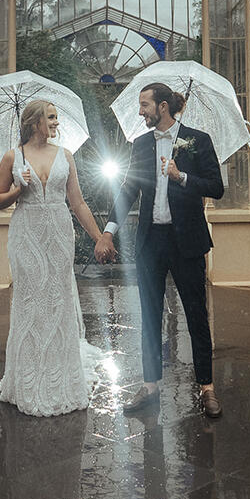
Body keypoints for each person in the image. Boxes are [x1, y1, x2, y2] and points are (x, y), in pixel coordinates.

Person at [96, 82, 225, 418]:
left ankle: (207, 388)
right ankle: (150, 386)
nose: (141, 112)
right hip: (151, 242)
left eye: (145, 105)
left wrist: (181, 177)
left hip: (188, 241)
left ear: (163, 106)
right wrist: (108, 232)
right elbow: (128, 190)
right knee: (149, 316)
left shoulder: (198, 140)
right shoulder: (140, 145)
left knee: (196, 315)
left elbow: (216, 187)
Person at [0, 99, 112, 416]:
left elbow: (79, 204)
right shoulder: (12, 157)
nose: (56, 123)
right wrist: (18, 189)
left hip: (58, 235)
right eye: (51, 117)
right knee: (31, 301)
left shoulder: (66, 156)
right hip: (26, 234)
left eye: (56, 117)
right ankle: (29, 380)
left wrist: (99, 237)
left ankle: (60, 379)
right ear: (35, 123)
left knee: (57, 301)